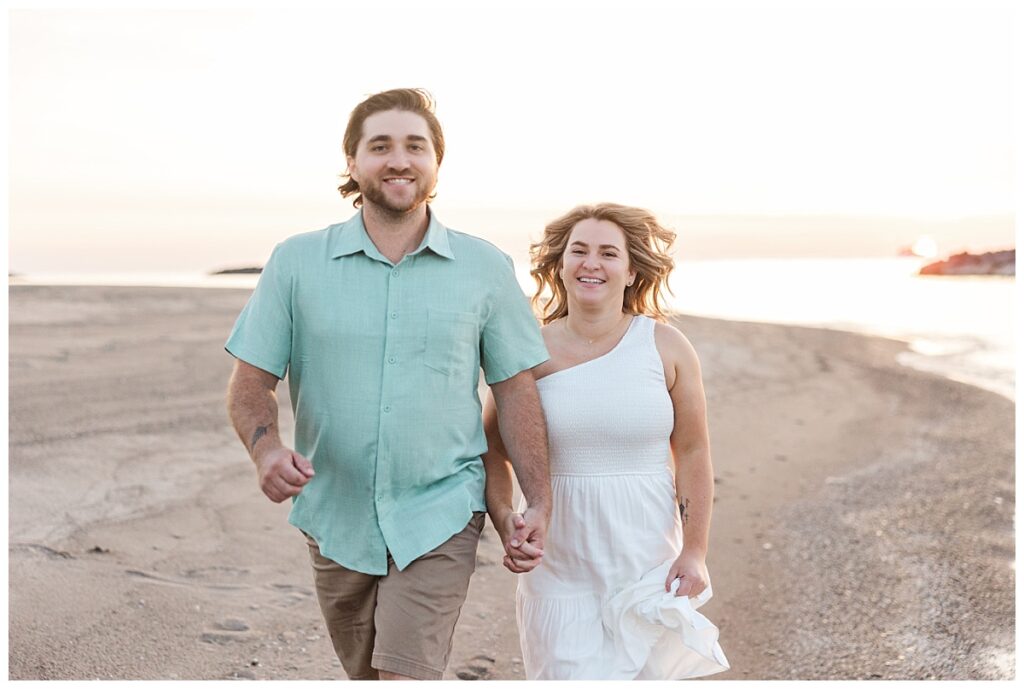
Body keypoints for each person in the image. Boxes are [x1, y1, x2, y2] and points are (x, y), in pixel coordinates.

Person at [225, 88, 551, 681]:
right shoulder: (296, 262)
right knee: (366, 675)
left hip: (442, 509)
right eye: (380, 146)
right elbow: (250, 382)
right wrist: (265, 450)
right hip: (334, 513)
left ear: (435, 163)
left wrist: (538, 499)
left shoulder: (485, 269)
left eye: (414, 146)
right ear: (353, 163)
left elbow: (516, 390)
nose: (399, 159)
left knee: (406, 674)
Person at [483, 203, 730, 680]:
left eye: (608, 253)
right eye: (578, 250)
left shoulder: (666, 346)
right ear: (560, 264)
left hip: (647, 563)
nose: (591, 263)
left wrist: (694, 550)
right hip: (559, 566)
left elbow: (694, 451)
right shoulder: (527, 350)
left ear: (632, 269)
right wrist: (506, 522)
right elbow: (491, 450)